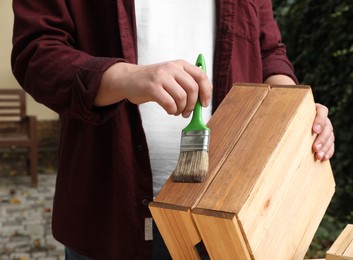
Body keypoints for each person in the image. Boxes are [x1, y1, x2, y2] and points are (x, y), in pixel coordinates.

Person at [11, 0, 335, 259]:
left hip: (232, 210)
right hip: (110, 214)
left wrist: (297, 110)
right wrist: (125, 78)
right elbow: (36, 53)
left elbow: (269, 52)